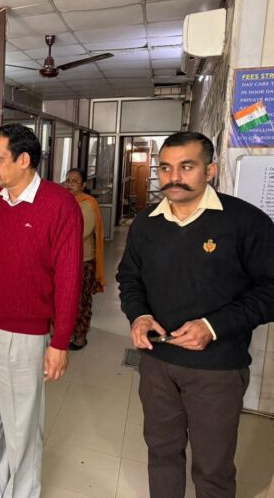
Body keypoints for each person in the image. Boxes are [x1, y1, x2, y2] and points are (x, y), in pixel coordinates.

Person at [117, 131, 274, 498]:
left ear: (210, 170)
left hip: (216, 369)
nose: (173, 177)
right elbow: (130, 277)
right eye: (165, 168)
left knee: (212, 467)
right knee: (162, 452)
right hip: (157, 362)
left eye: (186, 167)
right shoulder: (147, 222)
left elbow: (271, 289)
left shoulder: (245, 222)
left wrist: (212, 326)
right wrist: (138, 315)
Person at [0, 123, 83, 498]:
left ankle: (22, 493)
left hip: (25, 333)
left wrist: (59, 343)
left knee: (21, 426)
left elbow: (69, 278)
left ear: (24, 159)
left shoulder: (59, 205)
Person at [63, 168, 106, 350]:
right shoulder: (65, 201)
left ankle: (80, 336)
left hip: (83, 261)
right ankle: (65, 333)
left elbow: (81, 232)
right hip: (64, 260)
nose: (70, 184)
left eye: (75, 181)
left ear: (84, 185)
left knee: (81, 300)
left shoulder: (87, 204)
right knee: (65, 299)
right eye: (68, 180)